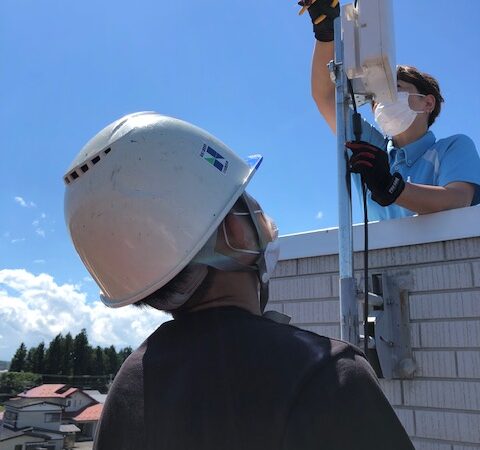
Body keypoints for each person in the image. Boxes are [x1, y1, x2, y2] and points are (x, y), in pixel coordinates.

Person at [64, 111, 414, 449]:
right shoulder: (328, 374)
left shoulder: (131, 380)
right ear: (237, 234)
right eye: (248, 203)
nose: (267, 221)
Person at [302, 0, 480, 220]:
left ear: (428, 103)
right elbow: (326, 97)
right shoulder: (371, 148)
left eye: (395, 88)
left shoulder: (453, 147)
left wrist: (392, 187)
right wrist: (325, 34)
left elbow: (458, 199)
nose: (382, 101)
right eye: (376, 96)